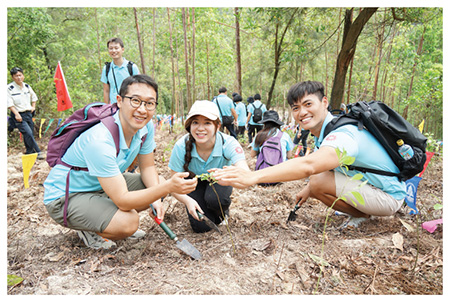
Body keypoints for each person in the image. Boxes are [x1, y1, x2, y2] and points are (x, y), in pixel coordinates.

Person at [213, 81, 406, 229]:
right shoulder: (328, 131)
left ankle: (362, 216)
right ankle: (360, 213)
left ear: (324, 102)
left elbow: (309, 165)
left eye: (308, 104)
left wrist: (253, 176)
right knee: (315, 183)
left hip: (388, 197)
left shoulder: (343, 134)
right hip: (371, 187)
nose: (302, 112)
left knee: (317, 181)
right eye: (296, 108)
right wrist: (309, 190)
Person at [43, 75, 199, 249]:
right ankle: (90, 228)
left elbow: (148, 166)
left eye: (149, 103)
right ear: (119, 101)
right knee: (129, 222)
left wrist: (157, 197)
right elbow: (123, 200)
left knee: (158, 183)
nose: (142, 109)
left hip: (99, 186)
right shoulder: (100, 140)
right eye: (135, 101)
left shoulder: (145, 127)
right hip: (66, 196)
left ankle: (101, 215)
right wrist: (167, 188)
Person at [168, 100, 250, 233]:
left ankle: (223, 212)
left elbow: (244, 171)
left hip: (220, 179)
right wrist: (188, 201)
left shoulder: (227, 143)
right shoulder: (181, 146)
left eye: (207, 123)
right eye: (195, 122)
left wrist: (231, 174)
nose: (200, 128)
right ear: (189, 126)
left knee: (214, 200)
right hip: (194, 183)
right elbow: (173, 185)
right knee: (201, 227)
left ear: (217, 126)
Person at [7, 67, 44, 159]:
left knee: (29, 133)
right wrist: (16, 114)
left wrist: (33, 107)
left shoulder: (27, 86)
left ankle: (29, 152)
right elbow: (9, 103)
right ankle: (38, 152)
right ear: (12, 77)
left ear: (23, 76)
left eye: (20, 75)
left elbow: (34, 97)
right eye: (16, 76)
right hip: (18, 114)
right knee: (28, 133)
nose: (19, 77)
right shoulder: (9, 88)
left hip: (28, 114)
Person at [101, 37, 140, 104]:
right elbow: (106, 91)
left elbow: (139, 88)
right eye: (111, 48)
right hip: (114, 107)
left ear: (122, 49)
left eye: (116, 48)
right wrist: (106, 108)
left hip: (130, 106)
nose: (113, 51)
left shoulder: (132, 67)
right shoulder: (106, 68)